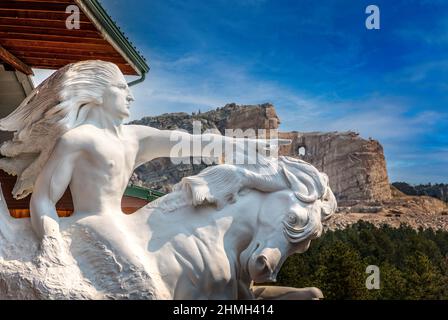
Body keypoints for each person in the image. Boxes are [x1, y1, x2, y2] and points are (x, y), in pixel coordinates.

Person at [0, 60, 286, 250]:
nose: (131, 96)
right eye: (122, 89)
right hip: (92, 226)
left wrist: (237, 145)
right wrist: (52, 243)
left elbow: (190, 141)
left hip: (121, 224)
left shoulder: (136, 137)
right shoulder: (79, 140)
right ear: (98, 94)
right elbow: (43, 198)